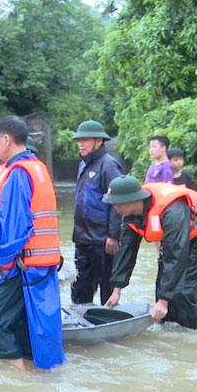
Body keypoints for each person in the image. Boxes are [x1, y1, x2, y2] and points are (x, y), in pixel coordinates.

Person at [0, 116, 65, 370]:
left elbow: (12, 224)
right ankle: (38, 378)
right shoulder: (37, 168)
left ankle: (20, 384)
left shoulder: (18, 173)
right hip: (40, 264)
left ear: (6, 140)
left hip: (23, 265)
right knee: (28, 327)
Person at [103, 176, 197, 329]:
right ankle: (167, 330)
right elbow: (126, 250)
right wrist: (117, 289)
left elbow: (175, 254)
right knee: (162, 288)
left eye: (118, 203)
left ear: (133, 199)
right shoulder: (129, 215)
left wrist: (164, 300)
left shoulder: (172, 210)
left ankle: (193, 335)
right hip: (175, 238)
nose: (115, 207)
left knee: (183, 293)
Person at [70, 120, 124, 305]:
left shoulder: (109, 166)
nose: (81, 144)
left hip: (102, 240)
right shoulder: (83, 165)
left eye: (85, 140)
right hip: (82, 238)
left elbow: (118, 202)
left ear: (99, 141)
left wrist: (114, 235)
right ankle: (81, 317)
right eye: (79, 140)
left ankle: (108, 318)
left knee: (107, 287)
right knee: (80, 287)